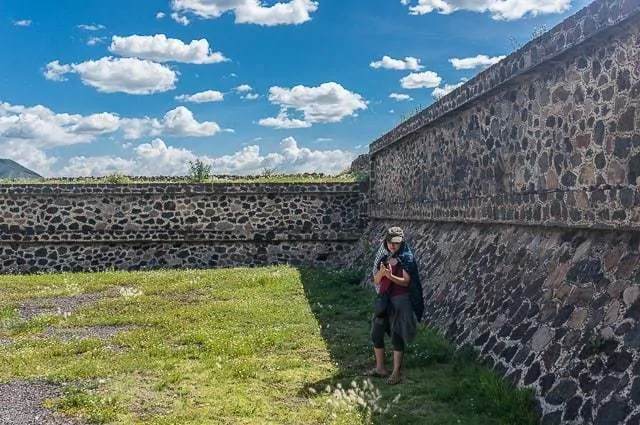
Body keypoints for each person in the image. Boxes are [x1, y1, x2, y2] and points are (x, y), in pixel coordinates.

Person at [365, 226, 418, 385]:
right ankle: (380, 368)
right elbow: (376, 280)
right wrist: (382, 273)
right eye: (390, 242)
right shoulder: (384, 258)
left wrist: (391, 276)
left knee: (396, 335)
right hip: (384, 300)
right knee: (376, 333)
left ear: (401, 242)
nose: (392, 245)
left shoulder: (406, 258)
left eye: (396, 242)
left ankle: (396, 372)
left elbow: (406, 281)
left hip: (400, 300)